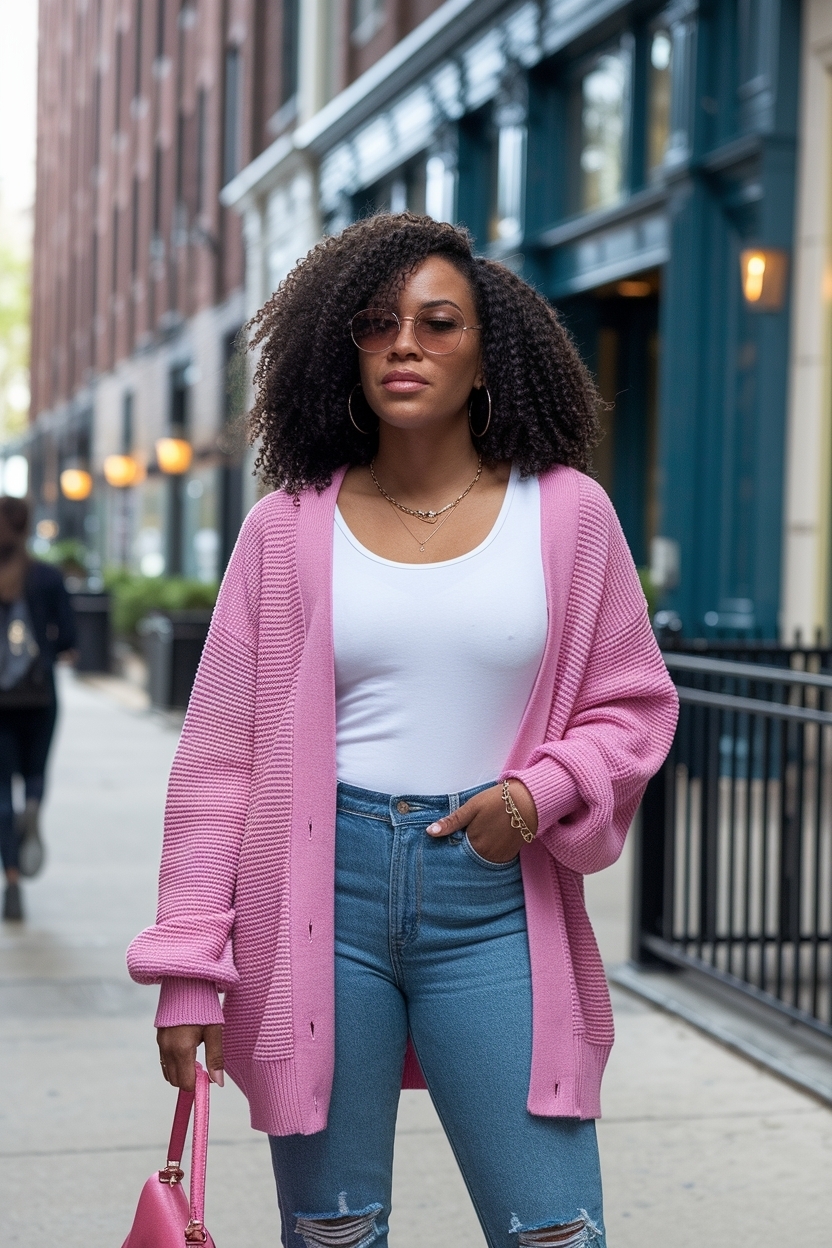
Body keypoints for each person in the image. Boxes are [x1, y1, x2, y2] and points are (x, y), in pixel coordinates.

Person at [128, 215, 678, 1248]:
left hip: (497, 897)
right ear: (344, 348)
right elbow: (218, 764)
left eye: (437, 323)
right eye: (377, 325)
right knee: (333, 1231)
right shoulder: (286, 527)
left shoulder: (568, 515)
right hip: (315, 900)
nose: (405, 345)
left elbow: (633, 704)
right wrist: (190, 969)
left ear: (485, 357)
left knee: (552, 1230)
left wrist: (536, 794)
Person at [0, 497, 77, 921]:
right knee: (34, 770)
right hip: (39, 694)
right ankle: (33, 803)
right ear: (27, 527)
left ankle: (11, 882)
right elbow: (67, 638)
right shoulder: (46, 578)